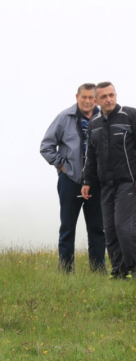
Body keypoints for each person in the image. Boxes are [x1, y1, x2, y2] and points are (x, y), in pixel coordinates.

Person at [40, 84, 105, 273]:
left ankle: (98, 270)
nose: (87, 101)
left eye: (91, 98)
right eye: (83, 97)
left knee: (97, 228)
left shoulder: (104, 118)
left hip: (97, 182)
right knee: (68, 226)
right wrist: (62, 166)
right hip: (70, 180)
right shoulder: (64, 117)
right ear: (77, 96)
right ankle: (66, 270)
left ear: (96, 99)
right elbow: (46, 146)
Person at [82, 82, 136, 279]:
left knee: (124, 228)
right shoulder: (94, 124)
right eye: (104, 97)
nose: (109, 99)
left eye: (111, 95)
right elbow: (91, 156)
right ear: (96, 100)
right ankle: (118, 272)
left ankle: (133, 268)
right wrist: (87, 181)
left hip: (128, 182)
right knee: (110, 230)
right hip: (106, 185)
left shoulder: (129, 116)